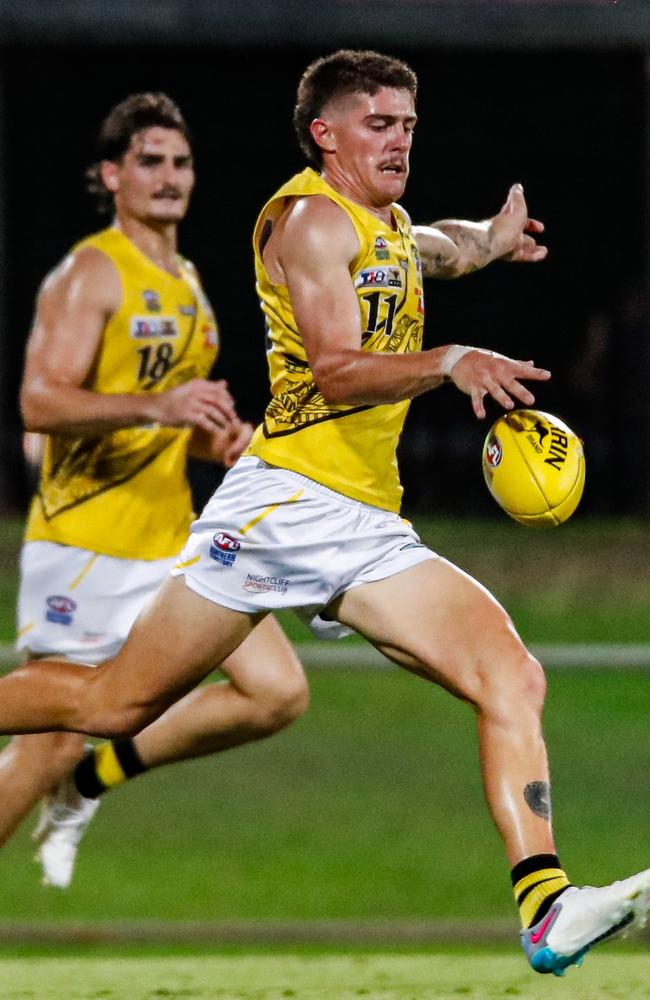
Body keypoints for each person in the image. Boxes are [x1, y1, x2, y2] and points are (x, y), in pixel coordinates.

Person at [0, 51, 647, 976]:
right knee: (115, 702)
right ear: (325, 134)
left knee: (511, 672)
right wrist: (449, 357)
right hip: (284, 505)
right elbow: (336, 366)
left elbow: (440, 246)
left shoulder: (385, 228)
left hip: (365, 524)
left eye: (410, 125)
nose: (400, 140)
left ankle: (546, 909)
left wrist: (493, 242)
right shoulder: (306, 220)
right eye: (378, 123)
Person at [1, 92, 307, 889]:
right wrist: (162, 405)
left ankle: (93, 781)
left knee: (276, 692)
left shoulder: (190, 286)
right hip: (85, 543)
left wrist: (218, 437)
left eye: (181, 162)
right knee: (46, 745)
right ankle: (71, 771)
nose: (170, 177)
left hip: (172, 538)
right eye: (150, 162)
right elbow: (40, 400)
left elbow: (171, 416)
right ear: (112, 175)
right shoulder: (92, 271)